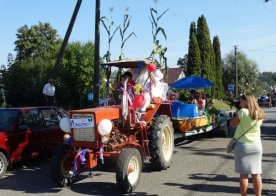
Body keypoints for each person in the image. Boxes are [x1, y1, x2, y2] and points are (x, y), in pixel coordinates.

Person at [230, 93, 265, 196]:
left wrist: (236, 113)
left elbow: (232, 124)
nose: (239, 102)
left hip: (243, 146)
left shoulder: (242, 112)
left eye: (241, 100)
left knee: (244, 175)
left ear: (246, 101)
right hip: (256, 146)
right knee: (256, 174)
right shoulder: (260, 112)